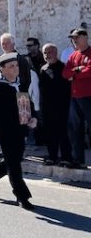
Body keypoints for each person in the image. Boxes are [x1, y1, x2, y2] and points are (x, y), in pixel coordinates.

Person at [0, 52, 35, 211]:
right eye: (11, 66)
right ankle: (22, 196)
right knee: (14, 165)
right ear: (2, 70)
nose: (15, 69)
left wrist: (33, 118)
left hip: (20, 129)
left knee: (13, 160)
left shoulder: (20, 84)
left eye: (16, 65)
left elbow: (28, 104)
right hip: (5, 132)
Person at [62, 28, 91, 169]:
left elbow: (89, 70)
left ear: (85, 37)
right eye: (73, 39)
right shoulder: (73, 55)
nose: (74, 41)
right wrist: (77, 70)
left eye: (77, 38)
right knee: (74, 129)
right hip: (75, 97)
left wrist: (75, 74)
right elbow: (65, 73)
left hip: (89, 96)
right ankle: (78, 160)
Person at [39, 43, 72, 166]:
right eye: (45, 53)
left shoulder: (63, 67)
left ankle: (66, 158)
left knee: (63, 132)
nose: (47, 55)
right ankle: (52, 156)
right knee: (50, 133)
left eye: (49, 52)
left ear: (56, 52)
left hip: (62, 106)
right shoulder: (43, 69)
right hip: (47, 106)